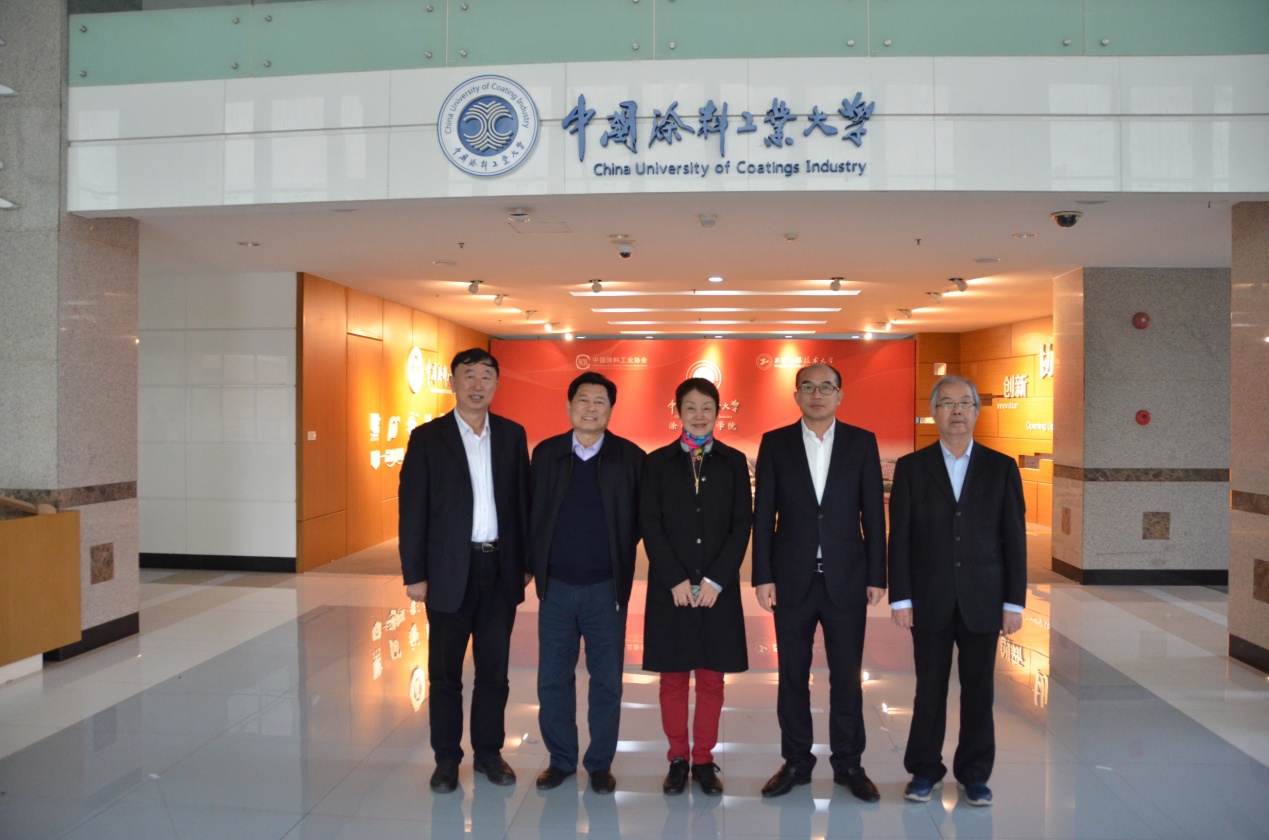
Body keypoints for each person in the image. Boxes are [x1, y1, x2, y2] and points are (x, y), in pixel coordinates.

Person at [888, 375, 1027, 807]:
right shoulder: (912, 468)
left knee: (979, 691)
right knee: (929, 690)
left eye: (965, 403)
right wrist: (901, 597)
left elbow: (1014, 539)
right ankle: (924, 770)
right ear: (934, 412)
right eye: (947, 403)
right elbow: (900, 538)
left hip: (983, 598)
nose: (957, 411)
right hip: (929, 598)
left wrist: (1013, 602)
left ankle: (974, 774)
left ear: (977, 411)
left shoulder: (1001, 467)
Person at [398, 347, 531, 794]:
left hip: (499, 569)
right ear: (452, 382)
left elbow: (522, 504)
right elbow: (412, 511)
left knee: (494, 672)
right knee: (445, 675)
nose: (477, 385)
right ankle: (446, 759)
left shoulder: (512, 435)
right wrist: (414, 573)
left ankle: (489, 753)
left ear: (497, 384)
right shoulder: (427, 438)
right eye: (468, 376)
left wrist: (526, 563)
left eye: (486, 376)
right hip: (448, 572)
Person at [751, 363, 886, 802]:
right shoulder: (776, 443)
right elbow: (763, 514)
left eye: (826, 387)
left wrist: (877, 574)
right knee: (792, 675)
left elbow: (873, 513)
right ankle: (796, 762)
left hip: (847, 578)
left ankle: (849, 765)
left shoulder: (861, 442)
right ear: (796, 395)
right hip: (792, 579)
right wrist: (763, 575)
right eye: (807, 387)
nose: (817, 395)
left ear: (840, 395)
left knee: (847, 678)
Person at [529, 372, 645, 795]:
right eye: (583, 399)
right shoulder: (546, 454)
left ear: (611, 410)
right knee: (552, 679)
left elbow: (640, 520)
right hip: (556, 588)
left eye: (600, 401)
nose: (590, 408)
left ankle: (599, 764)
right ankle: (561, 760)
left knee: (607, 682)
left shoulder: (630, 458)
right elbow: (531, 513)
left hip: (606, 589)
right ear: (569, 406)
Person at [641, 377, 752, 797]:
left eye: (707, 407)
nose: (699, 415)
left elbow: (742, 524)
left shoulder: (734, 461)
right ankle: (677, 758)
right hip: (670, 590)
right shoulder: (657, 463)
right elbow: (650, 523)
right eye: (691, 407)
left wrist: (717, 579)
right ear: (678, 412)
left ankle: (703, 759)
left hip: (716, 591)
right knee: (672, 680)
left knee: (711, 680)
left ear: (719, 412)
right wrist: (674, 578)